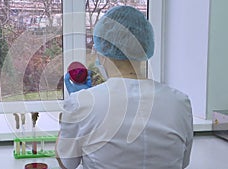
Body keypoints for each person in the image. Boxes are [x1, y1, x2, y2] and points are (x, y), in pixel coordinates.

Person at [56, 6, 193, 169]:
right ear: (145, 47)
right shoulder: (179, 102)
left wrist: (71, 115)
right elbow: (183, 162)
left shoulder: (82, 103)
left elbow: (66, 163)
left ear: (101, 51)